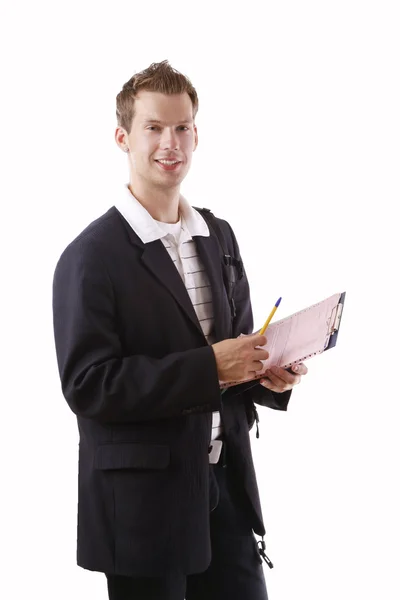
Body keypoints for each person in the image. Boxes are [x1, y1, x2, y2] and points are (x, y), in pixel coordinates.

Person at [52, 60, 308, 600]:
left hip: (226, 488)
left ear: (196, 133)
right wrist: (212, 367)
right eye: (154, 128)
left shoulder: (217, 235)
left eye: (182, 127)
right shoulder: (90, 258)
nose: (171, 143)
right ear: (123, 137)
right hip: (144, 507)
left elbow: (235, 349)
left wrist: (266, 372)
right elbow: (89, 386)